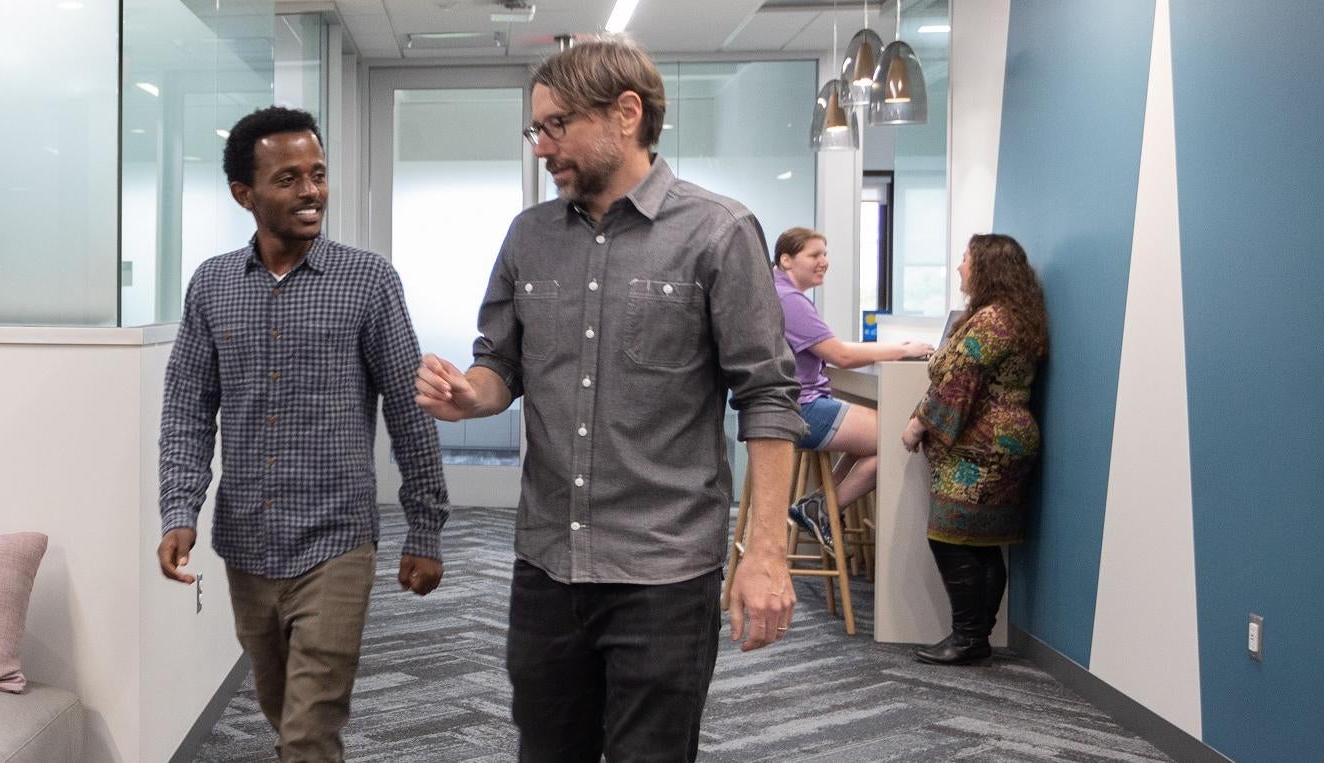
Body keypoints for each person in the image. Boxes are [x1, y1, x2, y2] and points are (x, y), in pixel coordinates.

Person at [413, 39, 806, 761]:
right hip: (547, 565)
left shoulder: (717, 232)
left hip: (664, 571)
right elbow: (500, 363)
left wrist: (766, 553)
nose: (542, 147)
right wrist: (469, 395)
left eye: (556, 125)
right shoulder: (528, 236)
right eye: (535, 129)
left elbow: (769, 397)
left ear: (626, 113)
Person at [155, 105, 449, 763]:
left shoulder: (367, 281)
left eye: (316, 173)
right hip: (246, 544)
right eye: (287, 178)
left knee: (310, 726)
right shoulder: (211, 286)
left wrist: (424, 528)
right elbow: (186, 408)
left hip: (335, 541)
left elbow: (408, 408)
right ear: (244, 194)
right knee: (281, 710)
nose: (310, 190)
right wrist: (180, 508)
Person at [901, 234, 1047, 666]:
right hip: (1006, 441)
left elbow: (958, 378)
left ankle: (968, 637)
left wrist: (918, 423)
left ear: (985, 268)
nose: (960, 266)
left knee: (949, 537)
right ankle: (975, 636)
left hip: (982, 446)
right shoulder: (1016, 316)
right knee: (981, 543)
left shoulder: (993, 320)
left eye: (965, 259)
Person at [771, 227, 933, 546]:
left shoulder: (778, 293)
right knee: (893, 438)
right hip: (801, 409)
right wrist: (903, 350)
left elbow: (829, 346)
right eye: (815, 255)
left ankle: (818, 504)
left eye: (825, 254)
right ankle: (826, 507)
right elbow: (840, 356)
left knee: (873, 435)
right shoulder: (790, 301)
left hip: (788, 405)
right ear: (786, 260)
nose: (824, 262)